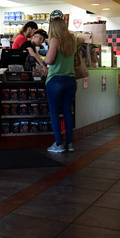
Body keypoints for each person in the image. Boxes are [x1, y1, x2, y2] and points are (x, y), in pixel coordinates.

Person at [44, 11, 77, 153]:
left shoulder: (54, 40)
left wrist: (43, 60)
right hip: (70, 80)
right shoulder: (72, 39)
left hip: (55, 80)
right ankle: (69, 143)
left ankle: (58, 144)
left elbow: (50, 60)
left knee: (54, 113)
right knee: (67, 112)